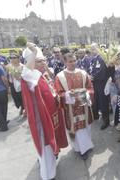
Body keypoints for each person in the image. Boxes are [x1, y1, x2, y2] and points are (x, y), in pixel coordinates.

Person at [21, 42, 68, 180]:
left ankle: (52, 162)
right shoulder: (30, 76)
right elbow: (25, 72)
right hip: (43, 120)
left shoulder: (41, 74)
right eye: (39, 61)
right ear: (32, 62)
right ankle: (48, 175)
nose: (43, 63)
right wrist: (34, 51)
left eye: (44, 60)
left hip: (52, 115)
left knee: (52, 146)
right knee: (46, 147)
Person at [55, 53, 94, 160]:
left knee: (85, 128)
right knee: (77, 130)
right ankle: (81, 149)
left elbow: (90, 88)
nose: (73, 63)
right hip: (71, 109)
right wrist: (67, 94)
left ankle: (87, 146)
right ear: (65, 62)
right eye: (70, 61)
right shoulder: (60, 76)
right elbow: (58, 93)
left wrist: (87, 94)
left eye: (74, 61)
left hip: (84, 107)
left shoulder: (83, 73)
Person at [88, 44, 110, 130]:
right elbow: (91, 69)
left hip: (102, 83)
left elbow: (102, 71)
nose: (92, 50)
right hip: (95, 83)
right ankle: (96, 115)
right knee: (96, 100)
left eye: (94, 49)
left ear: (98, 49)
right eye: (91, 49)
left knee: (103, 101)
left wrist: (93, 77)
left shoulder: (101, 58)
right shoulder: (93, 59)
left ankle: (106, 120)